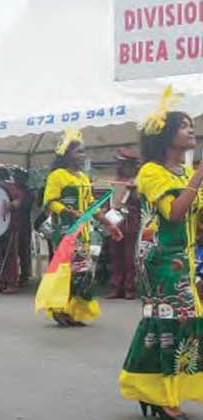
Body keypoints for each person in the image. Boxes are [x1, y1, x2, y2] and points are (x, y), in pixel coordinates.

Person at [119, 106, 202, 420]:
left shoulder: (183, 174)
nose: (191, 131)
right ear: (166, 134)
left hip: (184, 258)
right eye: (184, 126)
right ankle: (165, 399)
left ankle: (148, 388)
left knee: (168, 321)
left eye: (192, 126)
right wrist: (200, 174)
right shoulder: (152, 172)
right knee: (174, 320)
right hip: (160, 258)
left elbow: (195, 218)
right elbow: (175, 213)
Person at [41, 129, 122, 327]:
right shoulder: (57, 176)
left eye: (84, 152)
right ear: (67, 154)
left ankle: (73, 311)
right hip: (66, 233)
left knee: (82, 273)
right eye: (79, 152)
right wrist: (68, 212)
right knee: (67, 272)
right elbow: (49, 202)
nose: (83, 155)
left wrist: (109, 224)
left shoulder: (84, 178)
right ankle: (59, 310)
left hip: (83, 234)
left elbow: (91, 207)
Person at [106, 148, 141, 300]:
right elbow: (110, 201)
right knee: (115, 255)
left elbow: (141, 202)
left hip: (131, 221)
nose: (119, 166)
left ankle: (129, 288)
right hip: (115, 220)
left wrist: (134, 190)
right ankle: (116, 287)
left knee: (129, 256)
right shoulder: (115, 179)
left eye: (122, 164)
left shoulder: (138, 181)